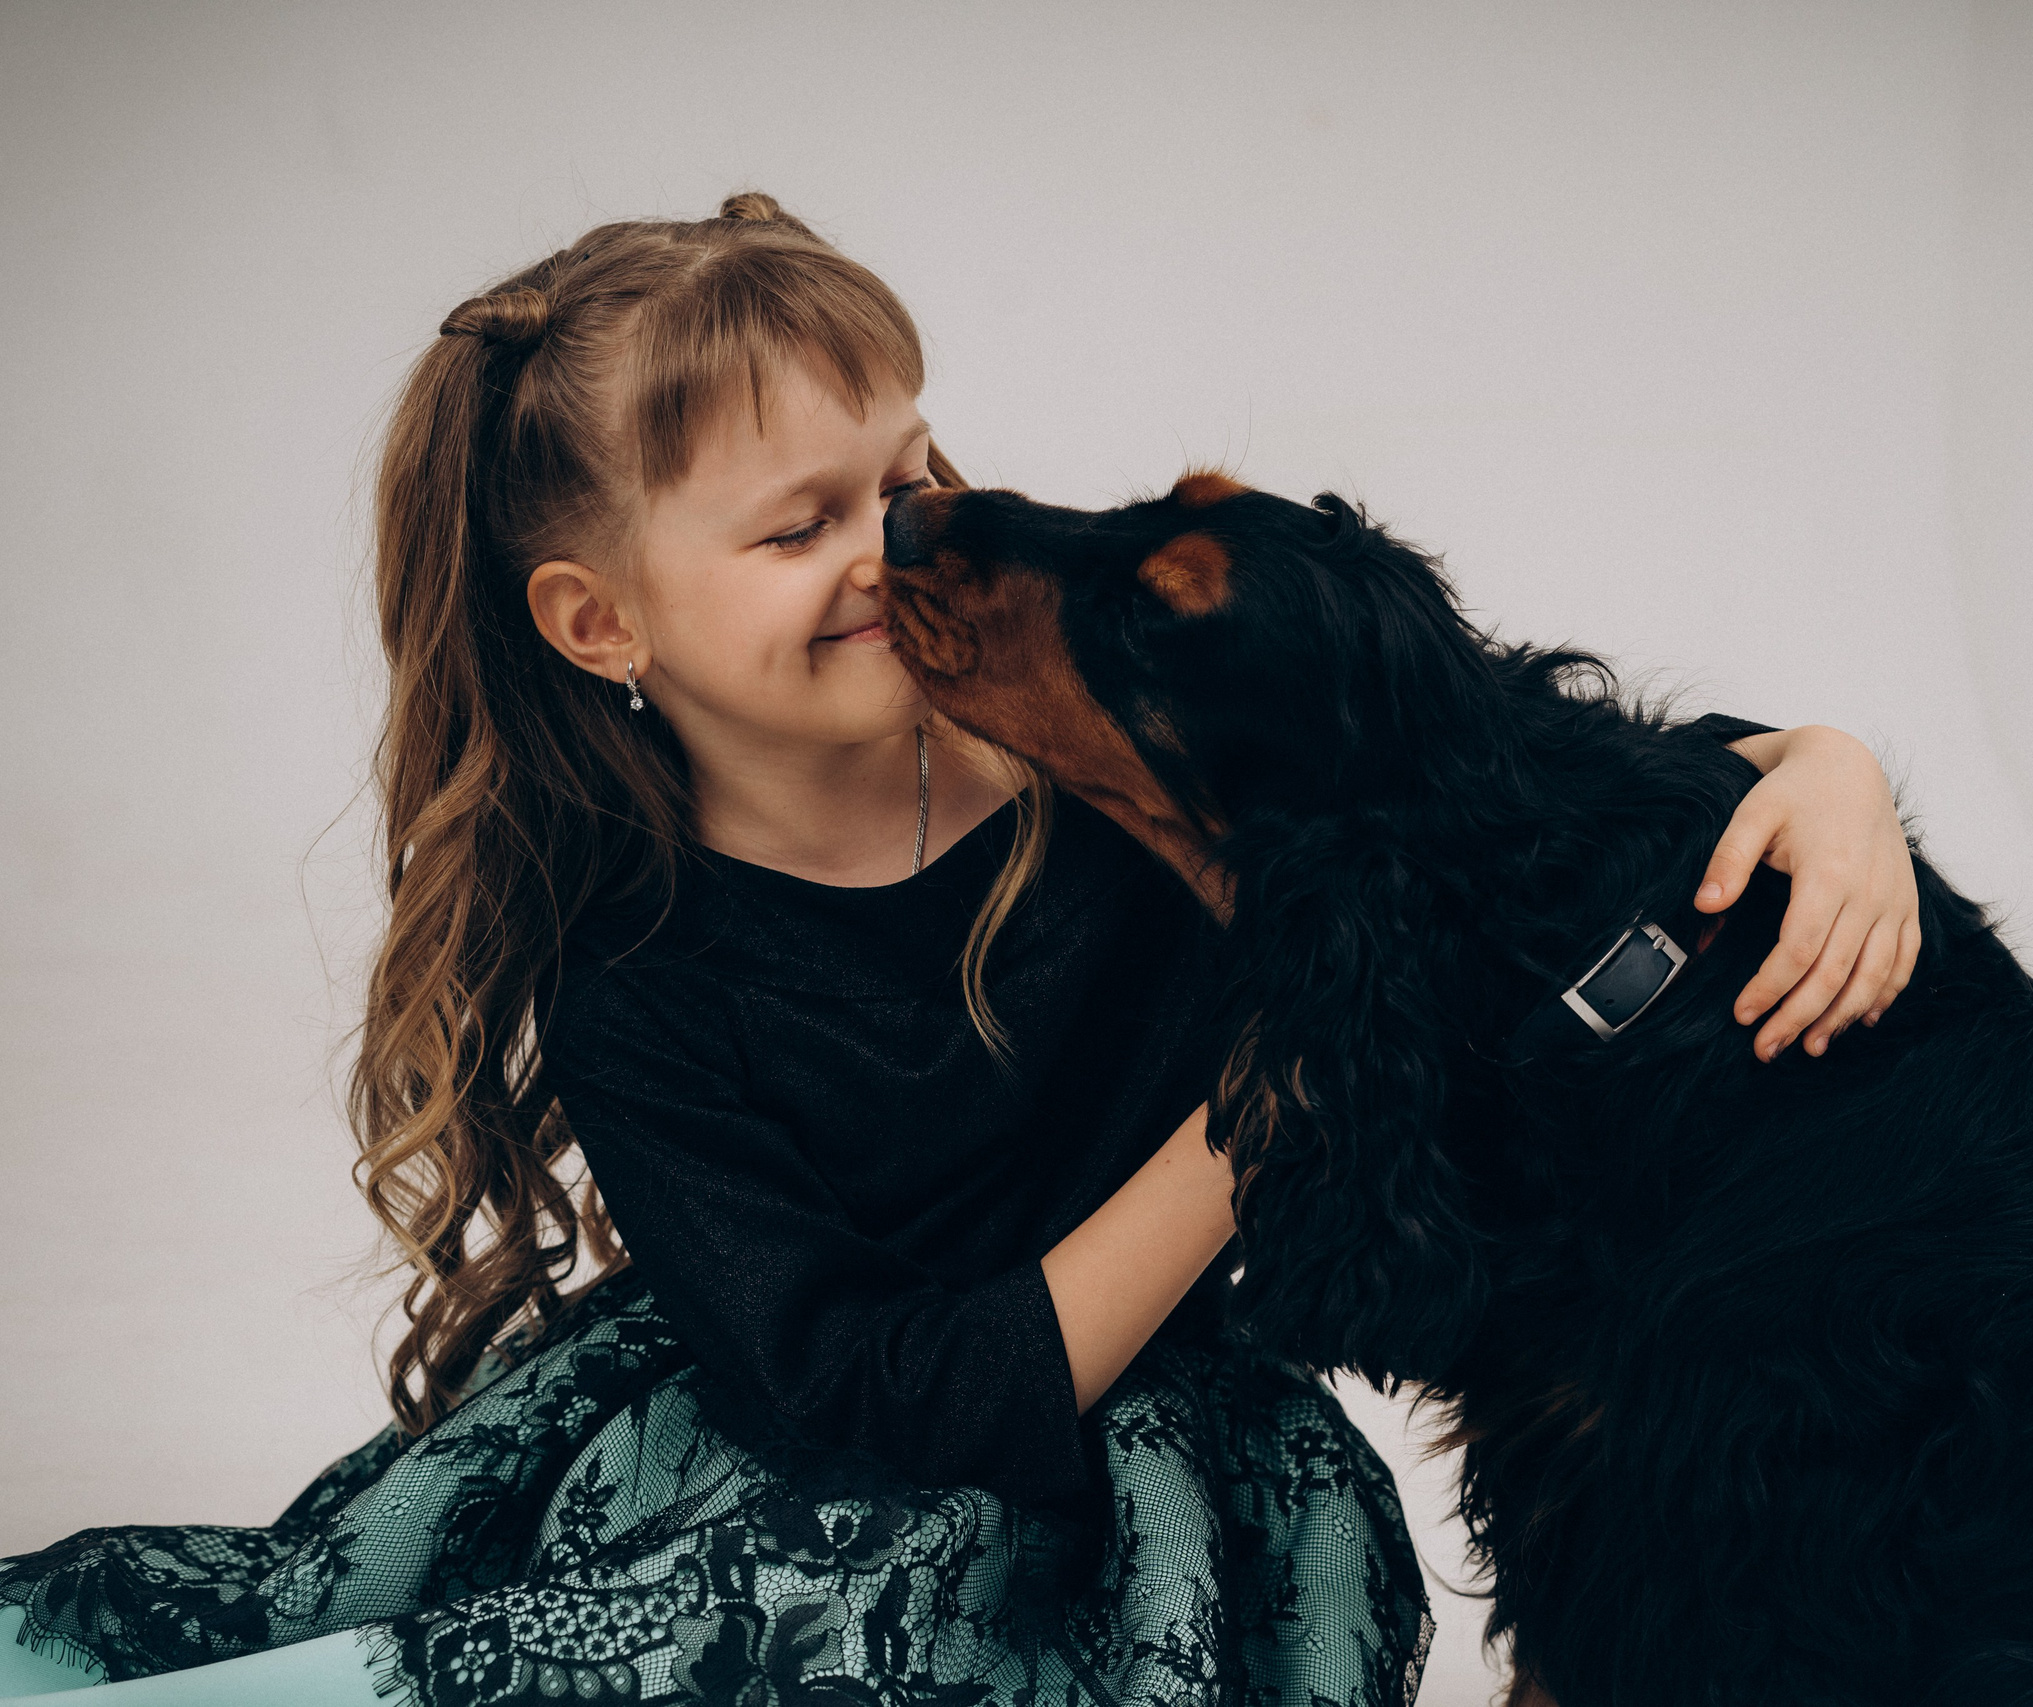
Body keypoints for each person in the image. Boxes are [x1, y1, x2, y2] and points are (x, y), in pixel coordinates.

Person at [0, 194, 1921, 1706]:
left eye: (903, 472)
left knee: (1206, 1588)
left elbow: (1457, 769)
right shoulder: (645, 974)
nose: (893, 543)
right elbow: (881, 1398)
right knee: (810, 1618)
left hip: (1169, 1433)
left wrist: (1812, 767)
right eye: (796, 525)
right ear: (602, 625)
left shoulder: (1083, 751)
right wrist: (1263, 1116)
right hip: (816, 1445)